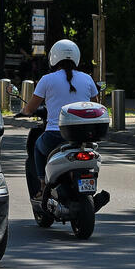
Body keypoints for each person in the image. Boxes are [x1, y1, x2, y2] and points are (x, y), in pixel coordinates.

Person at [20, 39, 99, 199]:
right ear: (76, 57)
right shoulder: (87, 78)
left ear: (53, 57)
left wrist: (24, 111)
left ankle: (42, 186)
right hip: (83, 136)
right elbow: (96, 105)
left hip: (55, 135)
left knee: (37, 148)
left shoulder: (47, 79)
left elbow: (31, 108)